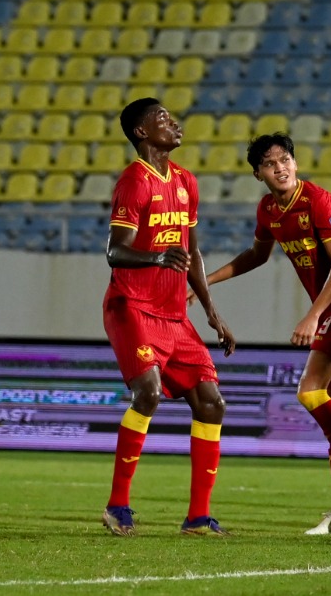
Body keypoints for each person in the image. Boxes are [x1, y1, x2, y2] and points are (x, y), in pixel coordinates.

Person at [196, 133, 331, 535]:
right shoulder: (268, 210)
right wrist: (205, 283)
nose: (279, 168)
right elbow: (256, 256)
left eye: (285, 160)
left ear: (295, 164)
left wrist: (312, 316)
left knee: (310, 392)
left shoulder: (318, 201)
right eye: (269, 163)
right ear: (258, 173)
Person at [102, 97, 236, 537]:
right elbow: (115, 251)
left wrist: (213, 314)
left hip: (175, 316)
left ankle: (198, 517)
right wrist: (158, 255)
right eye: (162, 118)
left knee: (212, 403)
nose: (173, 123)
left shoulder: (185, 181)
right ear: (142, 132)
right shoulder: (133, 182)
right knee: (149, 393)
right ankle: (117, 506)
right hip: (132, 307)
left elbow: (192, 252)